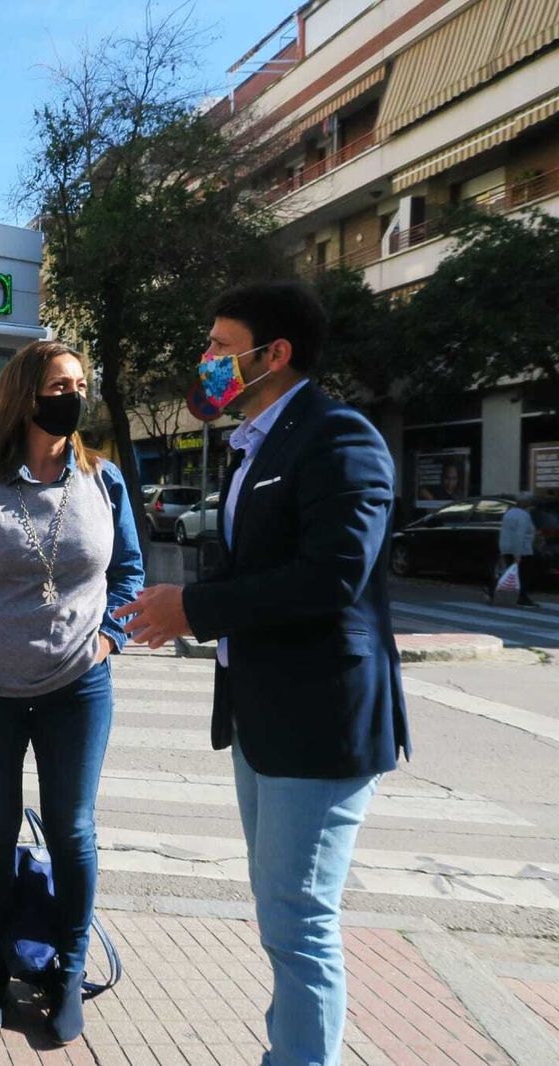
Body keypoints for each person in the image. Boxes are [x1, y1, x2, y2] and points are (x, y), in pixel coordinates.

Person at [115, 280, 409, 1066]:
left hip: (320, 721)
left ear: (273, 354)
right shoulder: (255, 442)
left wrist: (194, 608)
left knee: (298, 919)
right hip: (262, 716)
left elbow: (332, 576)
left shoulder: (339, 437)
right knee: (282, 913)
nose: (206, 359)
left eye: (220, 345)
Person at [0, 341, 144, 1043]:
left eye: (81, 383)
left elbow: (130, 571)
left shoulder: (103, 480)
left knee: (73, 830)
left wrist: (110, 637)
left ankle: (68, 972)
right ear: (25, 397)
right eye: (61, 385)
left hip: (78, 690)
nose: (74, 396)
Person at [494, 493, 539, 607]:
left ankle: (504, 593)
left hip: (507, 547)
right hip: (522, 550)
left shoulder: (509, 513)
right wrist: (517, 554)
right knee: (523, 574)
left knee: (511, 573)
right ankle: (521, 597)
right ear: (528, 503)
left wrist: (502, 550)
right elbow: (520, 534)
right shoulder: (524, 515)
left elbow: (504, 532)